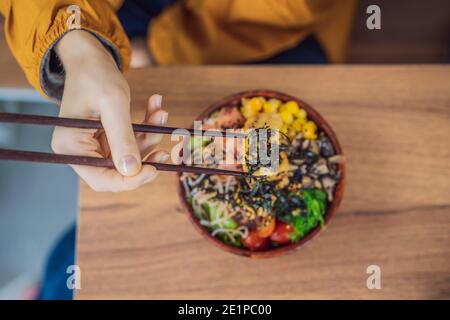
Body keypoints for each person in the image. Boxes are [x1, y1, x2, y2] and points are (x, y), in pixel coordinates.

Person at [0, 0, 357, 299]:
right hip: (112, 10)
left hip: (270, 22)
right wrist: (73, 38)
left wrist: (158, 51)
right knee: (75, 269)